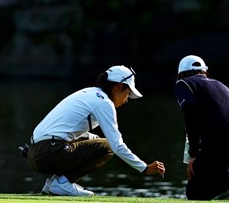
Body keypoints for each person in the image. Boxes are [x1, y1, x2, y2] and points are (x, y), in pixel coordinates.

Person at [26, 65, 166, 196]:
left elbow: (74, 134)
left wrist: (92, 140)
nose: (127, 99)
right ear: (118, 87)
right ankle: (62, 182)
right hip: (47, 153)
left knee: (93, 139)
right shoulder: (104, 102)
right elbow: (116, 145)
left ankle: (53, 184)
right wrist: (144, 167)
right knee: (108, 146)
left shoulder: (90, 93)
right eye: (128, 93)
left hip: (36, 153)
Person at [175, 55, 229, 201]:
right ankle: (226, 188)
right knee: (206, 186)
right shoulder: (220, 84)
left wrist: (193, 155)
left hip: (227, 142)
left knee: (194, 191)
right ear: (204, 72)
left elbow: (191, 120)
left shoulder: (183, 84)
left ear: (181, 74)